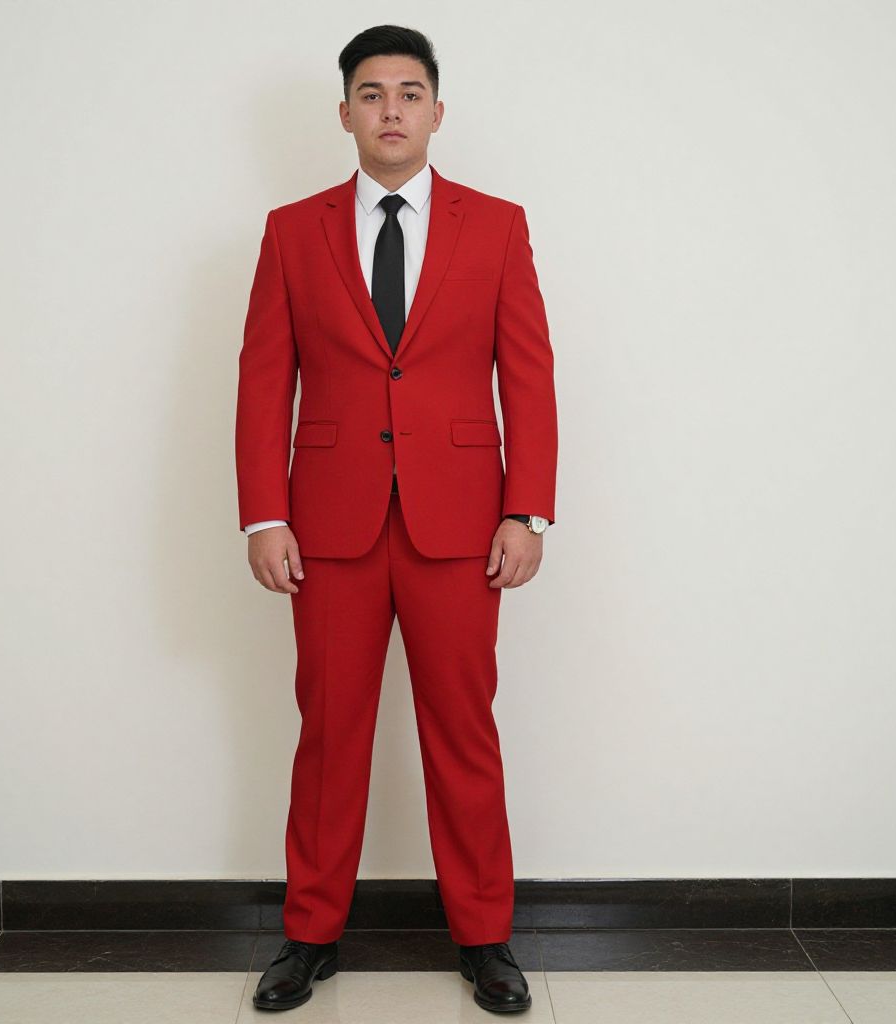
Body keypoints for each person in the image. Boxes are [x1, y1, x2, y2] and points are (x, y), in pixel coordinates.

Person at [235, 24, 558, 1014]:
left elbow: (528, 374)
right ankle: (309, 934)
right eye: (371, 94)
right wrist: (263, 516)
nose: (390, 110)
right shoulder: (292, 230)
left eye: (409, 93)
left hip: (460, 526)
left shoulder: (495, 225)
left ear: (436, 112)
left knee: (463, 733)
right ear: (344, 113)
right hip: (327, 527)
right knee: (328, 735)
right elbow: (264, 380)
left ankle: (486, 937)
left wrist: (527, 510)